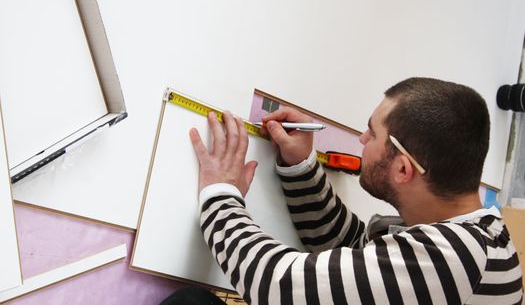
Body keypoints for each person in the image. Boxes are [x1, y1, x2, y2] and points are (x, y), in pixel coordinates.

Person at [165, 78, 523, 304]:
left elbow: (279, 285)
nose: (361, 140)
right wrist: (302, 168)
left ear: (403, 169)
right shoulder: (476, 230)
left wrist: (221, 194)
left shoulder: (454, 259)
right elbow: (355, 256)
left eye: (372, 134)